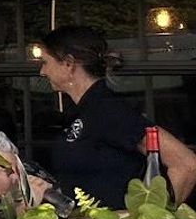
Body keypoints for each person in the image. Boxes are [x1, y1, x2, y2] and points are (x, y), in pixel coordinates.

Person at [34, 25, 196, 207]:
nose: (42, 72)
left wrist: (153, 217)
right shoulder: (83, 110)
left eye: (45, 62)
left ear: (68, 64)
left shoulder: (109, 110)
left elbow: (187, 165)